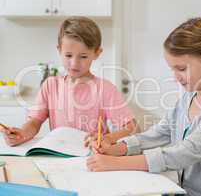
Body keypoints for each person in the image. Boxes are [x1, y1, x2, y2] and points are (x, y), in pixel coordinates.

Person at [86, 17, 201, 196]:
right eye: (173, 69)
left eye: (182, 69)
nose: (176, 76)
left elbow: (182, 154)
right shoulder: (187, 99)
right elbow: (159, 133)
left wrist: (115, 164)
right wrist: (116, 148)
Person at [1, 16, 137, 147]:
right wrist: (22, 134)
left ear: (96, 53)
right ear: (59, 50)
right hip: (58, 158)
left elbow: (132, 128)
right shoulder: (50, 86)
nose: (74, 63)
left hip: (93, 157)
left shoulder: (106, 89)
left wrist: (107, 138)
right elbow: (35, 122)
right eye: (68, 55)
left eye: (83, 56)